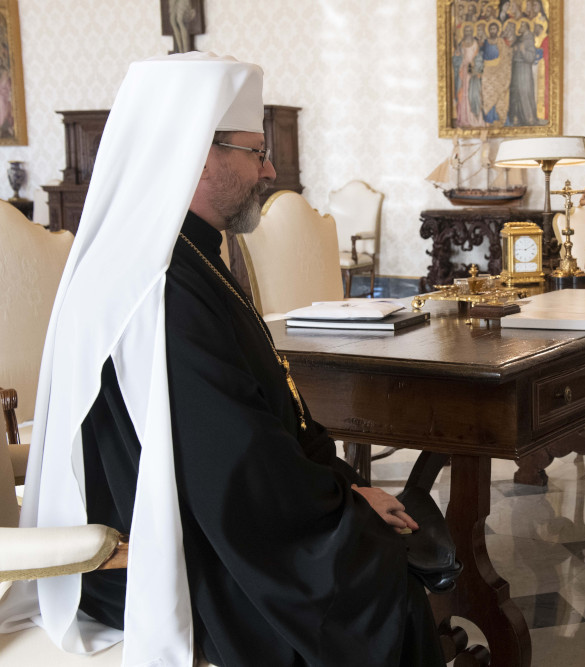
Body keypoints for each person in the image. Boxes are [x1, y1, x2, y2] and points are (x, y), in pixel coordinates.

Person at [0, 53, 445, 667]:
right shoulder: (156, 285)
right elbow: (234, 460)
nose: (269, 169)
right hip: (165, 558)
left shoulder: (191, 255)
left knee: (380, 551)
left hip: (210, 520)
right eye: (256, 150)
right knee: (377, 589)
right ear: (199, 151)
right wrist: (344, 506)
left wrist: (345, 487)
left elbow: (263, 419)